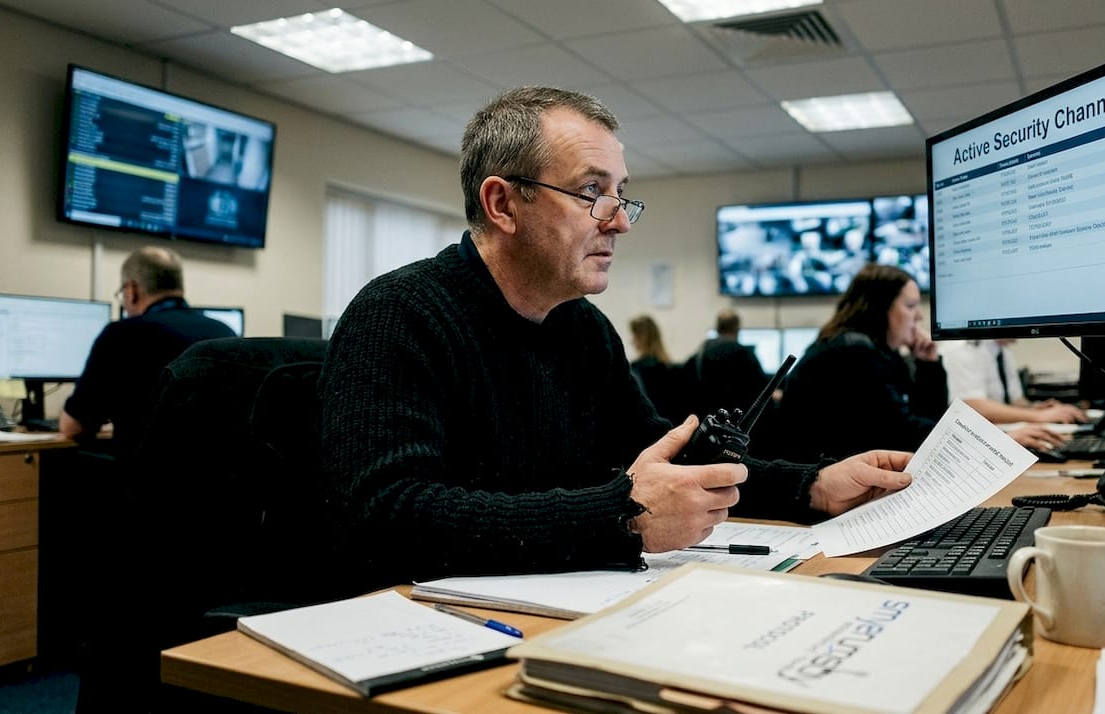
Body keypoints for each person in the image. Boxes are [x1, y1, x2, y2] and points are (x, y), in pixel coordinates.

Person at [319, 86, 913, 592]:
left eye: (621, 193)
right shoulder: (397, 314)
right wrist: (621, 515)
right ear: (503, 203)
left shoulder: (581, 326)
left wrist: (810, 486)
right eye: (591, 192)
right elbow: (386, 513)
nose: (621, 220)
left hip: (556, 595)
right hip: (427, 616)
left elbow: (654, 451)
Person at [59, 246, 236, 454]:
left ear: (131, 291)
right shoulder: (224, 331)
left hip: (145, 479)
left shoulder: (121, 334)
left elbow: (74, 428)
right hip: (218, 478)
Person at [774, 264, 949, 463]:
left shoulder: (875, 351)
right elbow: (905, 435)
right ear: (881, 308)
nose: (919, 316)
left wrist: (928, 363)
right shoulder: (852, 353)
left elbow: (922, 419)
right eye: (910, 306)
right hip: (815, 479)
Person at [938, 339, 1087, 452]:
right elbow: (973, 406)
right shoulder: (963, 348)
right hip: (972, 444)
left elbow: (1015, 401)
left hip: (999, 434)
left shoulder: (1002, 349)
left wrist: (1036, 409)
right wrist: (1037, 416)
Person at [683, 309, 770, 418]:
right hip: (736, 420)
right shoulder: (745, 354)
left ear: (717, 328)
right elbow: (762, 388)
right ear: (737, 329)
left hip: (706, 419)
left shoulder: (701, 353)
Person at [628, 314, 685, 423]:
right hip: (672, 427)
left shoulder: (635, 370)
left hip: (650, 430)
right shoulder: (673, 369)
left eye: (634, 336)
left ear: (642, 338)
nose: (632, 341)